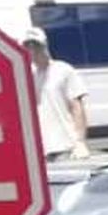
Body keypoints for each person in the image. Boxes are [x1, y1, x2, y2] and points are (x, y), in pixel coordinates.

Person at [20, 27, 90, 161]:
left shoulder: (64, 70)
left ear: (45, 45)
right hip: (40, 150)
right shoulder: (27, 75)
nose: (33, 50)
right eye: (28, 46)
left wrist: (80, 142)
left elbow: (77, 107)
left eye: (36, 45)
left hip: (65, 147)